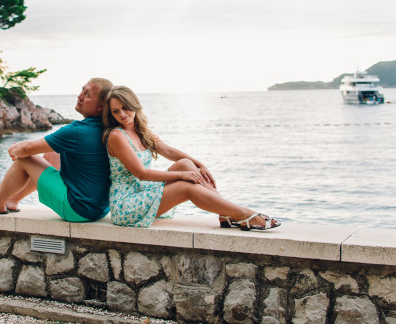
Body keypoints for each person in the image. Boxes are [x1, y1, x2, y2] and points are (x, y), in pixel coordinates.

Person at [103, 86, 280, 230]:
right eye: (116, 111)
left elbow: (170, 152)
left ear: (134, 105)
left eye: (125, 108)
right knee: (186, 186)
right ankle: (243, 214)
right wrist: (182, 176)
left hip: (142, 191)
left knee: (186, 164)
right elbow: (142, 174)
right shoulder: (117, 136)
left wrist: (200, 165)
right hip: (127, 203)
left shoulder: (141, 132)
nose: (122, 114)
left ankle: (226, 212)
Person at [0, 78, 114, 222]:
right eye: (82, 90)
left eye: (87, 94)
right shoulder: (110, 129)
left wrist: (14, 149)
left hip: (77, 210)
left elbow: (26, 149)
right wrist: (23, 148)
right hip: (100, 209)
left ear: (101, 106)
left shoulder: (77, 131)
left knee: (25, 160)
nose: (80, 96)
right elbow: (39, 146)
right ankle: (12, 200)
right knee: (53, 154)